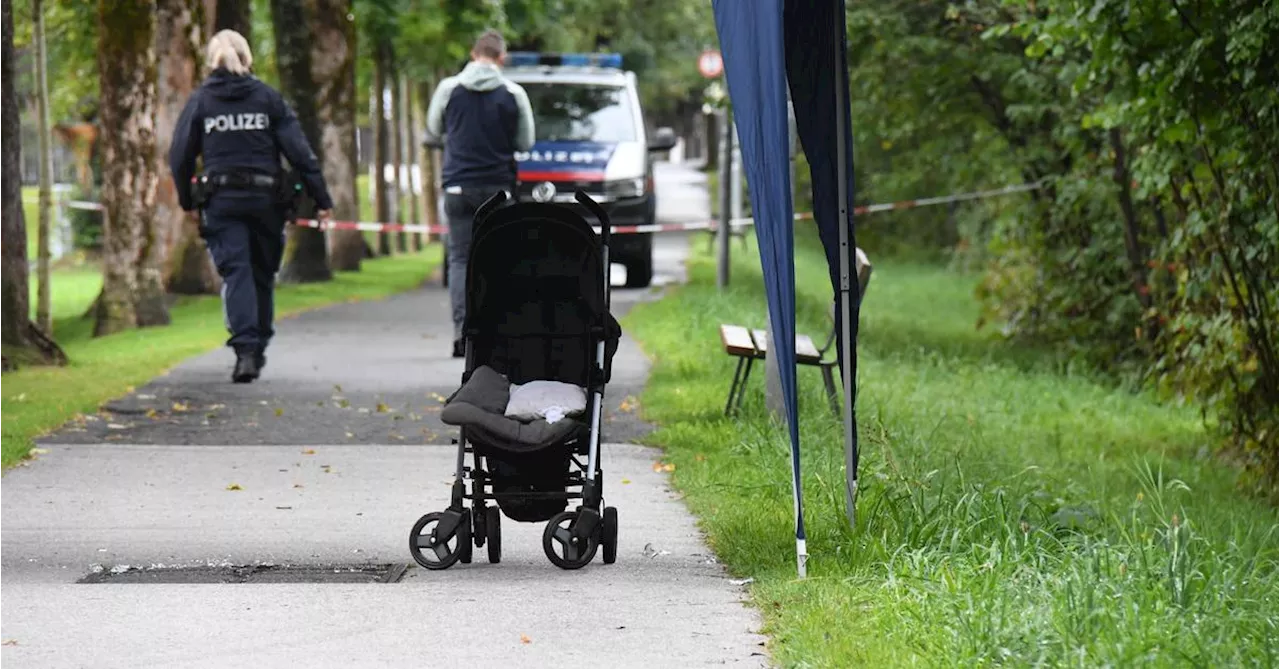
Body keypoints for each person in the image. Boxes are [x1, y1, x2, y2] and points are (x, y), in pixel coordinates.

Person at [169, 30, 334, 383]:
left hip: (222, 202)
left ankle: (245, 350)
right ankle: (256, 346)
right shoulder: (267, 99)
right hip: (266, 203)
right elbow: (300, 153)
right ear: (247, 58)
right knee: (261, 273)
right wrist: (322, 200)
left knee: (238, 272)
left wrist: (187, 200)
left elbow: (179, 156)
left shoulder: (201, 102)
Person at [425, 29, 535, 357]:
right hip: (498, 190)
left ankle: (462, 333)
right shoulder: (513, 93)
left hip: (458, 186)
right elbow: (525, 142)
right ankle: (494, 334)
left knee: (460, 259)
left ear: (473, 55)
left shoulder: (448, 89)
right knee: (498, 260)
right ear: (501, 58)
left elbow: (433, 129)